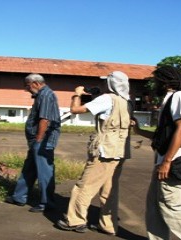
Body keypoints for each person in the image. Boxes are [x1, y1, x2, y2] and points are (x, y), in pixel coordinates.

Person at [132, 65, 181, 240]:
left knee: (171, 206)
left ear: (165, 81)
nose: (154, 84)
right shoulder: (169, 98)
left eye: (157, 80)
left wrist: (167, 161)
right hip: (163, 160)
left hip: (172, 161)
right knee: (155, 205)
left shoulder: (180, 96)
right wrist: (139, 130)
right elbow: (163, 136)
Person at [56, 71, 132, 235]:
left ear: (111, 84)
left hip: (104, 151)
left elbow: (75, 110)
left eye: (107, 82)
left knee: (84, 187)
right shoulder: (127, 101)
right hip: (119, 151)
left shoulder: (106, 99)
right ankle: (108, 225)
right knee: (108, 191)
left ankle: (75, 220)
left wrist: (76, 95)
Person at [5, 73, 61, 213]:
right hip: (37, 140)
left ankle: (47, 203)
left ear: (36, 83)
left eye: (27, 86)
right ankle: (19, 197)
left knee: (44, 172)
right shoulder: (41, 95)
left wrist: (38, 140)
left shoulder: (46, 95)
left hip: (42, 140)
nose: (27, 89)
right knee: (29, 169)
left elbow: (45, 119)